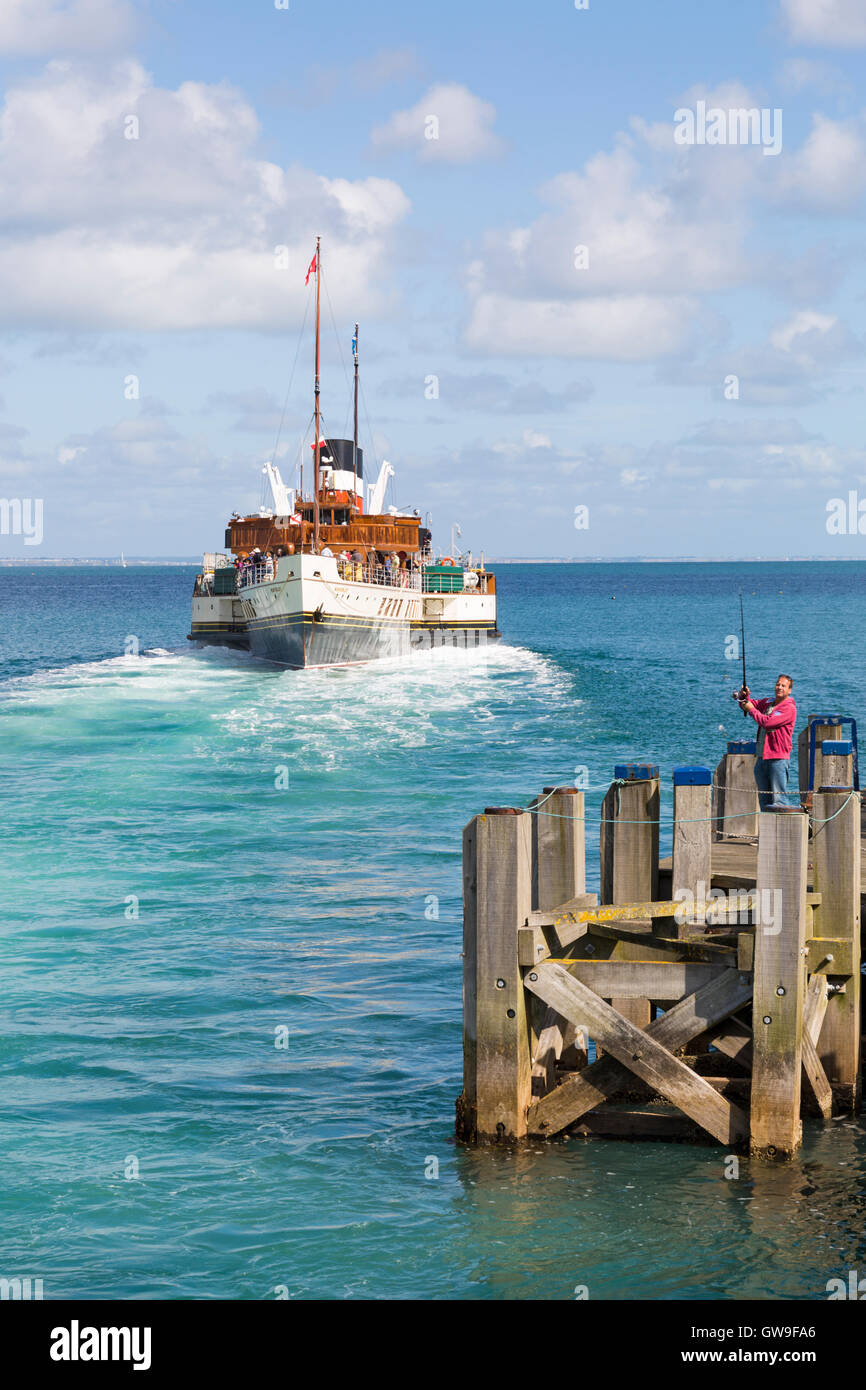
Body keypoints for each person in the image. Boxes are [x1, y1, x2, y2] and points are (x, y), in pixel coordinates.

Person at [733, 674, 797, 811]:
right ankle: (767, 830)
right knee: (764, 801)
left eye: (783, 686)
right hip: (762, 757)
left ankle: (782, 830)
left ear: (789, 690)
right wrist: (744, 696)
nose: (779, 687)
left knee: (779, 801)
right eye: (777, 684)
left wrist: (751, 709)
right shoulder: (769, 702)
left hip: (778, 759)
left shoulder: (789, 708)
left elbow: (767, 722)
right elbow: (750, 705)